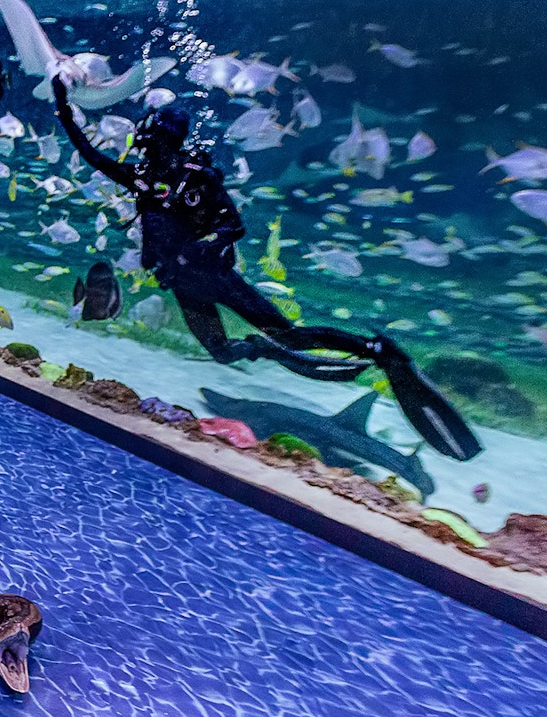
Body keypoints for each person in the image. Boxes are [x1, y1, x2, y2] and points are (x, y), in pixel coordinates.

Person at [51, 76, 481, 461]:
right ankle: (265, 349)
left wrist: (208, 244)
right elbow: (88, 153)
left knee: (290, 334)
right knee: (222, 353)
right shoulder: (143, 179)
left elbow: (232, 224)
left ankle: (376, 351)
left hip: (215, 279)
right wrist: (62, 104)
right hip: (184, 285)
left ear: (163, 139)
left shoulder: (196, 177)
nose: (143, 143)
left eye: (150, 137)